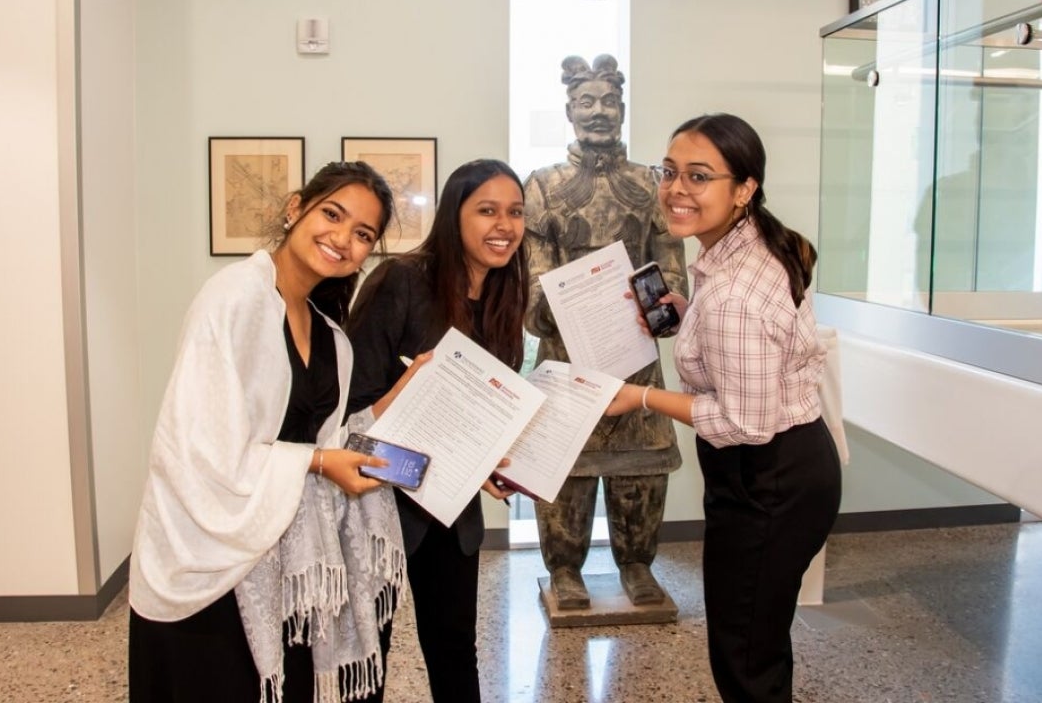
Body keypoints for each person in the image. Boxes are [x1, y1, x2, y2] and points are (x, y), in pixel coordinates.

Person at [128, 161, 426, 703]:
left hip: (284, 562)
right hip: (214, 570)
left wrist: (409, 388)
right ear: (296, 208)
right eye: (332, 215)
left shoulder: (331, 334)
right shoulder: (234, 298)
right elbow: (199, 447)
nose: (343, 239)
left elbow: (332, 437)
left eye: (363, 235)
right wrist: (314, 463)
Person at [605, 113, 842, 703]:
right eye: (670, 171)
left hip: (769, 481)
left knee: (744, 659)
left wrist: (639, 396)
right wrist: (688, 313)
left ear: (744, 189)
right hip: (788, 469)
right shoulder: (738, 252)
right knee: (758, 640)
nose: (677, 188)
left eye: (699, 176)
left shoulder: (734, 290)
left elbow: (745, 422)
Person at [345, 159, 527, 703]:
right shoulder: (401, 279)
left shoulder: (502, 299)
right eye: (488, 210)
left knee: (453, 648)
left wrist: (490, 460)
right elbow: (348, 405)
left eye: (515, 212)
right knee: (365, 655)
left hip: (449, 505)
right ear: (454, 216)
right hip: (377, 500)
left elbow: (481, 411)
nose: (505, 225)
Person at [523, 54, 688, 609]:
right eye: (586, 102)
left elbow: (671, 269)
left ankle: (637, 566)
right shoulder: (544, 186)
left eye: (609, 101)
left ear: (622, 108)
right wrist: (558, 307)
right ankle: (565, 570)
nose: (598, 112)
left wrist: (659, 307)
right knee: (566, 475)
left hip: (634, 362)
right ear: (569, 109)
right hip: (567, 362)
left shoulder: (650, 184)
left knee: (639, 477)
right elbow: (534, 280)